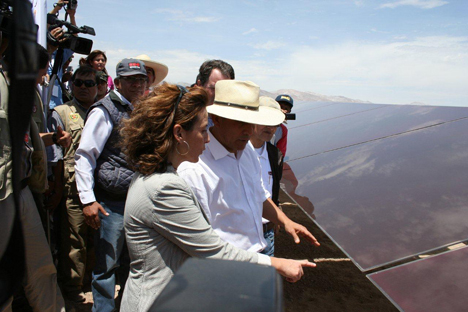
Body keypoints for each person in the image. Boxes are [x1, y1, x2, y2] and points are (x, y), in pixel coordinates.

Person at [119, 84, 316, 312]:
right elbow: (211, 250)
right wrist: (279, 263)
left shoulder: (158, 175)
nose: (207, 138)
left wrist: (284, 222)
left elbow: (258, 196)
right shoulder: (167, 185)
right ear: (179, 134)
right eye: (203, 130)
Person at [178, 80, 320, 254]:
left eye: (252, 122)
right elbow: (201, 243)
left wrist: (286, 222)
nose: (249, 130)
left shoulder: (247, 152)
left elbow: (260, 196)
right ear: (217, 119)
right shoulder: (195, 168)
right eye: (241, 123)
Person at [74, 58, 147, 311]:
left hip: (135, 202)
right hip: (111, 203)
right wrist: (88, 199)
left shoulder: (141, 110)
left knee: (133, 265)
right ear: (117, 82)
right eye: (131, 80)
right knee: (106, 267)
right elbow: (85, 156)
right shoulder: (105, 110)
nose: (137, 84)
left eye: (141, 79)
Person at [0, 34, 66, 312]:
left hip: (22, 190)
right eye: (40, 74)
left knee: (40, 267)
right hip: (3, 198)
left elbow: (22, 141)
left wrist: (51, 138)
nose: (42, 80)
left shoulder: (21, 94)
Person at [49, 65, 98, 305]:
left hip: (98, 189)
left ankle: (89, 283)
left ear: (98, 86)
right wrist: (57, 187)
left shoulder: (103, 112)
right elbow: (54, 154)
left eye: (89, 84)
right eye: (78, 82)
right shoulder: (61, 112)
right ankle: (72, 290)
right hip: (71, 188)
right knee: (73, 241)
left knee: (95, 241)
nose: (83, 88)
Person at [250, 96, 285, 256]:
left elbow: (273, 188)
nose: (270, 128)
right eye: (265, 120)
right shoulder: (235, 152)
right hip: (241, 233)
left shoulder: (274, 154)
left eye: (275, 124)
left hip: (267, 235)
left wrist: (275, 213)